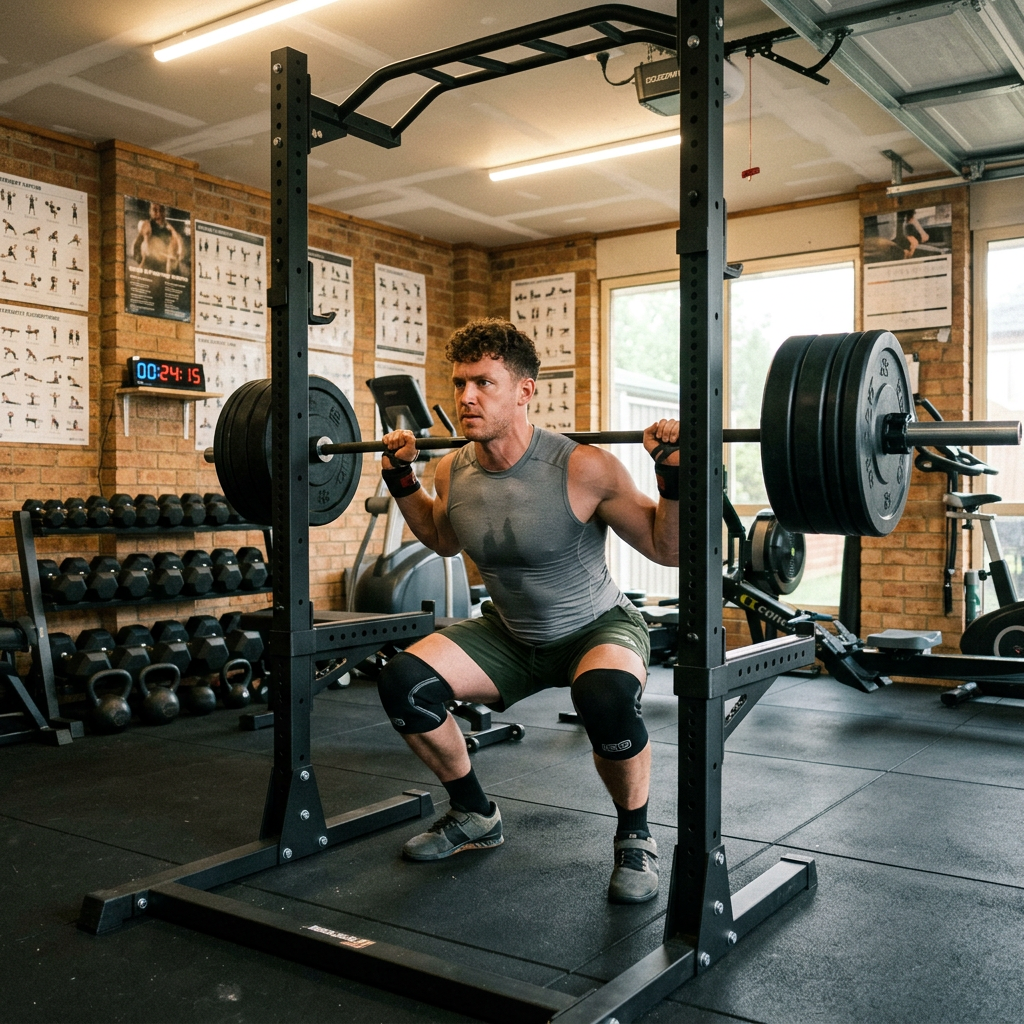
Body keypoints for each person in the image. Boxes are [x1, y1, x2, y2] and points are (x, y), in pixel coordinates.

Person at [376, 317, 680, 904]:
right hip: (510, 633)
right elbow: (442, 537)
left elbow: (665, 550)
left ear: (524, 390)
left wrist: (672, 478)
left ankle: (636, 835)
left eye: (484, 383)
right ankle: (474, 815)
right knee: (405, 684)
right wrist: (402, 482)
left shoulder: (583, 467)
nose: (466, 397)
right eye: (460, 383)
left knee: (606, 699)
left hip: (595, 627)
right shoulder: (453, 469)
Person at [132, 202, 184, 273]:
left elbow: (178, 247)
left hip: (164, 267)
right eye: (155, 210)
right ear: (150, 211)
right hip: (148, 264)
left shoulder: (169, 229)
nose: (159, 213)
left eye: (161, 210)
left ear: (165, 212)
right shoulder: (147, 225)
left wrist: (177, 253)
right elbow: (137, 249)